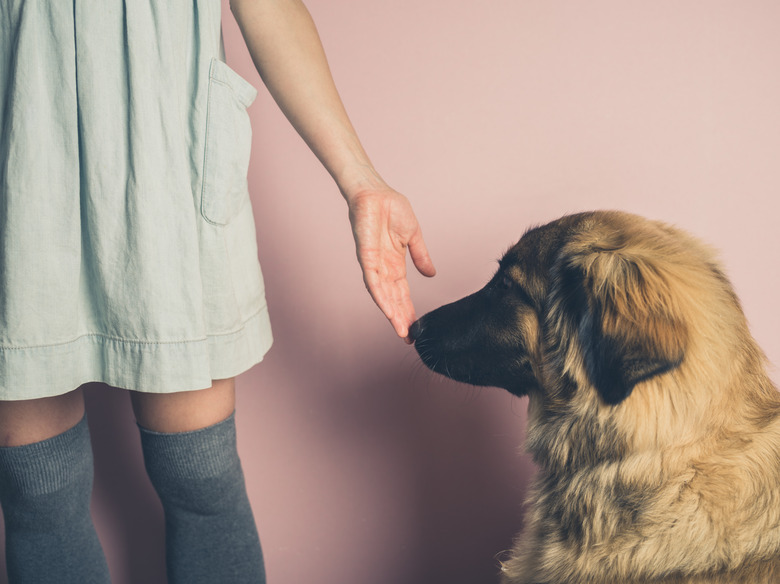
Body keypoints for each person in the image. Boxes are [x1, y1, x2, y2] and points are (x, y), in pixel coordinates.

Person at [0, 1, 435, 583]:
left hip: (165, 164)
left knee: (200, 476)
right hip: (16, 155)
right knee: (37, 491)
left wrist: (361, 182)